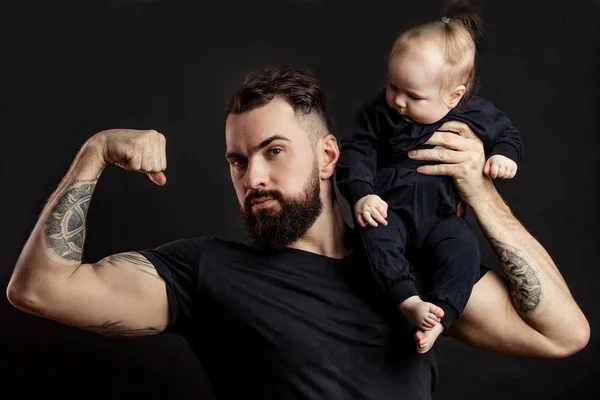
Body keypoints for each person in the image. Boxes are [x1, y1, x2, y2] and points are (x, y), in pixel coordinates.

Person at [6, 64, 589, 400]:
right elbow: (40, 289)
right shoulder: (207, 272)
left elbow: (564, 335)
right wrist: (95, 153)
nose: (253, 177)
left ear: (328, 156)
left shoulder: (409, 266)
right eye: (237, 161)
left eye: (273, 151)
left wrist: (478, 191)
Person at [336, 2, 524, 353]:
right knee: (373, 239)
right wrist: (362, 194)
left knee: (464, 253)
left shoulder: (475, 112)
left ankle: (443, 315)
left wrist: (503, 156)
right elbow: (357, 151)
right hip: (391, 210)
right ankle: (407, 300)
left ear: (454, 95)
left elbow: (507, 135)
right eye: (393, 87)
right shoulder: (380, 113)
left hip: (442, 219)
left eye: (414, 96)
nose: (398, 101)